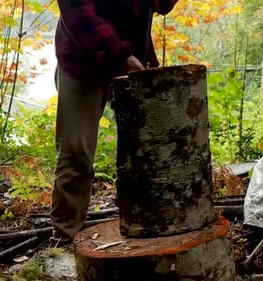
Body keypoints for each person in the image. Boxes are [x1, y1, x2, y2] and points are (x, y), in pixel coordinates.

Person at [49, 0, 179, 245]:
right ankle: (65, 238)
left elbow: (162, 6)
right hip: (84, 60)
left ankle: (146, 227)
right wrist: (121, 54)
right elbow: (78, 13)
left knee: (146, 151)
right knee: (76, 150)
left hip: (133, 60)